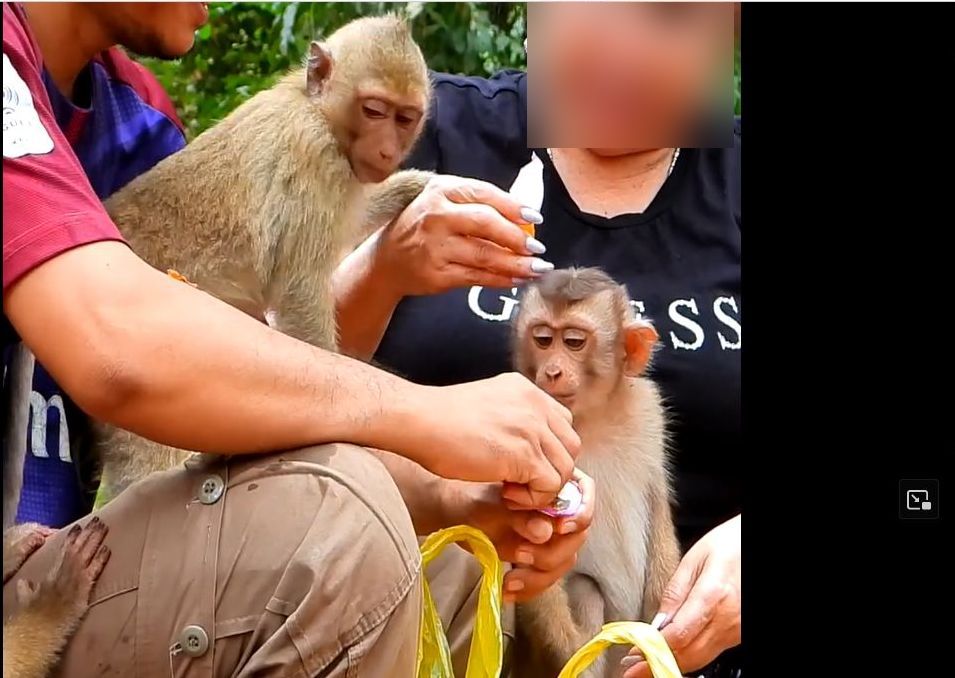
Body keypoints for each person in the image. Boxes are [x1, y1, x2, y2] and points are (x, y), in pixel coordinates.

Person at [1, 2, 590, 674]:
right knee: (344, 531)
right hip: (37, 581)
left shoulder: (137, 119)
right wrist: (423, 417)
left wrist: (450, 494)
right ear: (320, 77)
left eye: (408, 121)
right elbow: (132, 350)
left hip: (61, 552)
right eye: (376, 112)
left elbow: (249, 372)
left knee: (447, 554)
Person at [333, 2, 742, 676]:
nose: (624, 44)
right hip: (412, 624)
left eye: (671, 12)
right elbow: (264, 384)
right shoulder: (418, 133)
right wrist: (378, 272)